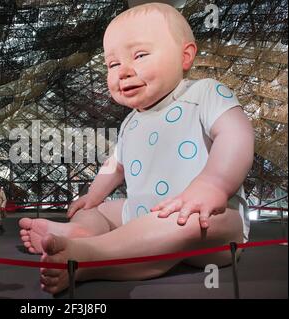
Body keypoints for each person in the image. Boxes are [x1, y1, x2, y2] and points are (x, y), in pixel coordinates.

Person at [19, 3, 255, 294]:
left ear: (185, 56)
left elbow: (237, 134)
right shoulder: (130, 121)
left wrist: (214, 184)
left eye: (140, 55)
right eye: (113, 64)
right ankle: (80, 233)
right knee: (102, 211)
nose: (124, 71)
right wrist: (93, 196)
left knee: (184, 222)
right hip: (141, 216)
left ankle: (89, 256)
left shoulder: (204, 92)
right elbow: (115, 165)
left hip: (209, 221)